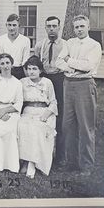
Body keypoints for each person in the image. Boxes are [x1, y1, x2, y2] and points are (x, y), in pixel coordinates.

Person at [56, 15, 102, 176]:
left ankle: (86, 165)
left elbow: (88, 66)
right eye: (76, 27)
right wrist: (73, 67)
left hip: (85, 85)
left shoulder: (94, 45)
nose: (79, 30)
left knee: (85, 126)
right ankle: (71, 162)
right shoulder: (69, 43)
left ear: (88, 27)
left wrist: (69, 61)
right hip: (68, 85)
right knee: (68, 126)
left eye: (82, 26)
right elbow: (58, 62)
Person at [18, 56, 57, 178]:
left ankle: (32, 164)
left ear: (40, 70)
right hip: (28, 111)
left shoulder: (47, 82)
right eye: (29, 69)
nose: (31, 71)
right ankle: (26, 160)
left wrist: (46, 114)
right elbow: (17, 101)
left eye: (34, 69)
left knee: (37, 128)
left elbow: (53, 102)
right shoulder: (22, 82)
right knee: (23, 127)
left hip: (44, 112)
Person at [34, 16, 67, 165]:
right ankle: (40, 152)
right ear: (45, 28)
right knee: (42, 112)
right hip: (45, 78)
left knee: (59, 115)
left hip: (60, 79)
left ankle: (60, 155)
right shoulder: (40, 45)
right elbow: (35, 63)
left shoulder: (66, 45)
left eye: (54, 26)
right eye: (49, 26)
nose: (52, 29)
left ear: (59, 27)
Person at [0, 14, 30, 79]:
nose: (11, 28)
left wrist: (28, 79)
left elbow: (25, 62)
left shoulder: (25, 40)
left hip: (19, 71)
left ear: (19, 26)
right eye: (9, 25)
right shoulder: (0, 39)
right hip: (4, 70)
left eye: (14, 25)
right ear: (6, 25)